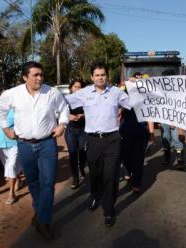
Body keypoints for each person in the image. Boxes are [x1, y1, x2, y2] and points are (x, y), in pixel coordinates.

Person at [0, 61, 69, 240]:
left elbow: (64, 109)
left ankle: (43, 222)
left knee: (48, 182)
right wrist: (5, 129)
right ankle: (40, 211)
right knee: (33, 182)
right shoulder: (13, 94)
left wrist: (62, 125)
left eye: (41, 74)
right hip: (24, 145)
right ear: (25, 77)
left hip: (47, 144)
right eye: (35, 75)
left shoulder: (52, 92)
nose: (39, 78)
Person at [65, 61, 131, 227]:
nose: (100, 78)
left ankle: (109, 210)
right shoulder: (84, 92)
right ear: (91, 77)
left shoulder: (116, 92)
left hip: (112, 140)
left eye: (103, 75)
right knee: (95, 174)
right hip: (93, 140)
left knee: (110, 175)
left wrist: (136, 87)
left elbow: (133, 103)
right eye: (97, 75)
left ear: (107, 76)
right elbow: (62, 102)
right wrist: (65, 118)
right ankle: (95, 196)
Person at [120, 76, 155, 192]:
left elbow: (150, 116)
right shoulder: (123, 97)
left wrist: (151, 133)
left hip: (141, 133)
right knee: (125, 156)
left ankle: (136, 183)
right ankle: (129, 170)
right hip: (125, 132)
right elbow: (117, 113)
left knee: (138, 158)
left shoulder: (145, 97)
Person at [0, 86, 23, 205]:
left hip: (15, 142)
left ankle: (11, 194)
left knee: (11, 166)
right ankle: (18, 178)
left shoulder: (16, 109)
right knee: (9, 167)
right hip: (1, 143)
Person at [159, 70, 184, 166]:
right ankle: (166, 159)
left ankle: (180, 161)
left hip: (175, 120)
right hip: (163, 119)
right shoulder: (160, 90)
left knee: (176, 139)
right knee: (165, 139)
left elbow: (180, 107)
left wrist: (174, 122)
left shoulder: (178, 91)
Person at [65, 79, 86, 189]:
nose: (78, 89)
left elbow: (93, 111)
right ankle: (75, 178)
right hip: (71, 130)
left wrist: (83, 115)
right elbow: (59, 112)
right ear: (71, 88)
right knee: (73, 154)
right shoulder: (65, 100)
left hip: (84, 130)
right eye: (75, 87)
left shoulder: (86, 99)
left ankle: (82, 168)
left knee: (83, 152)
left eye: (80, 87)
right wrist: (68, 116)